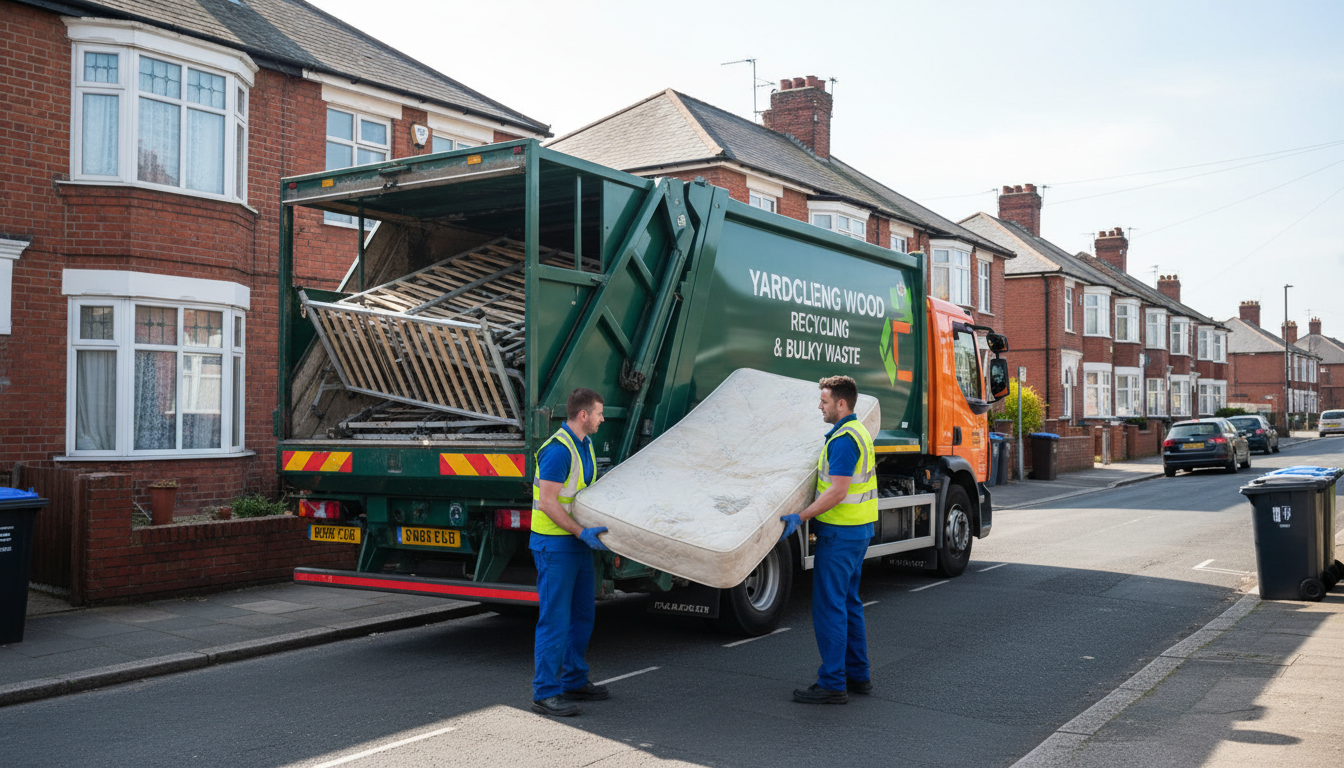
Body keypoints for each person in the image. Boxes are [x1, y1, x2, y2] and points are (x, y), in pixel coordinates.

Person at [779, 375, 877, 704]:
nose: (819, 406)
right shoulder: (856, 431)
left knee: (829, 607)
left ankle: (833, 682)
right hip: (858, 530)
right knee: (849, 603)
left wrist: (801, 516)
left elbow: (837, 491)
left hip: (840, 533)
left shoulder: (844, 440)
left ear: (841, 404)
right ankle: (857, 675)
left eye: (823, 401)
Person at [529, 387, 611, 717]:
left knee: (582, 616)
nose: (603, 418)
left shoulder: (585, 445)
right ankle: (545, 692)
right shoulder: (558, 451)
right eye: (599, 413)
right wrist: (580, 531)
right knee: (555, 620)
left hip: (575, 543)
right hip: (555, 545)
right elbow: (548, 502)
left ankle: (574, 680)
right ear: (583, 415)